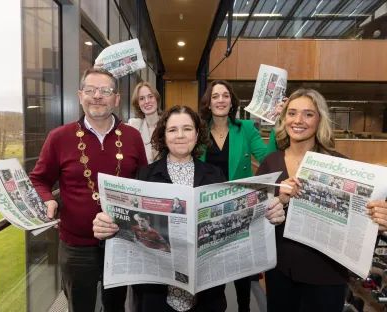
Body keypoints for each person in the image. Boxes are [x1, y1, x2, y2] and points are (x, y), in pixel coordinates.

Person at [93, 105, 286, 312]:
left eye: (187, 129)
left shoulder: (215, 175)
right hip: (156, 295)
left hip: (207, 294)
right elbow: (127, 231)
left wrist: (268, 213)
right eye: (172, 130)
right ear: (163, 136)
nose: (180, 136)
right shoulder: (144, 176)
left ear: (197, 134)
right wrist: (107, 228)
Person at [255, 88, 387, 312]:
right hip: (280, 273)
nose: (298, 120)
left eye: (308, 114)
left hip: (326, 275)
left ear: (319, 120)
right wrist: (281, 201)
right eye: (292, 113)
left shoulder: (341, 165)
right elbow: (255, 217)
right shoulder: (270, 162)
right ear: (284, 118)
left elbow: (360, 223)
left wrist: (379, 220)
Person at [29, 68, 148, 312]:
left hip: (122, 243)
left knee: (115, 306)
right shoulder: (59, 137)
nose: (97, 96)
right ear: (80, 95)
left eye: (105, 91)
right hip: (75, 248)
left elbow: (143, 184)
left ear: (116, 99)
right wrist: (48, 200)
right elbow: (39, 179)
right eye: (91, 90)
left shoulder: (133, 136)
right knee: (79, 306)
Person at [199, 80, 284, 312]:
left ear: (231, 101)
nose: (220, 100)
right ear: (208, 102)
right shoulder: (198, 129)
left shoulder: (245, 128)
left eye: (225, 95)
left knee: (242, 270)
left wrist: (276, 126)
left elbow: (268, 157)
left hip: (240, 207)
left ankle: (244, 308)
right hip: (209, 209)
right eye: (215, 96)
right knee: (211, 270)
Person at [128, 82, 162, 164]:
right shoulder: (133, 126)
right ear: (138, 104)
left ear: (156, 99)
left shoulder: (169, 124)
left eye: (150, 96)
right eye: (142, 98)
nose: (147, 101)